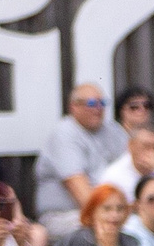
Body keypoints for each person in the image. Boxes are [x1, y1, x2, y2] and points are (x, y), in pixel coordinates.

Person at [35, 81, 127, 235]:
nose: (98, 109)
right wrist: (116, 215)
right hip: (66, 215)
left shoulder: (114, 131)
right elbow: (82, 194)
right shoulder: (64, 134)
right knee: (107, 228)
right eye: (91, 103)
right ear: (74, 107)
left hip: (111, 209)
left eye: (102, 103)